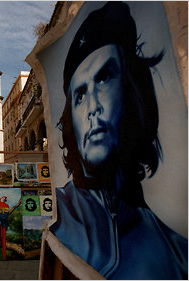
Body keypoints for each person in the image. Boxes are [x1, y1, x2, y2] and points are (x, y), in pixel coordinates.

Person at [50, 2, 187, 279]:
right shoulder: (58, 216)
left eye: (104, 79)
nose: (93, 107)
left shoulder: (178, 253)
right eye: (79, 95)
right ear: (70, 122)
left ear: (132, 90)